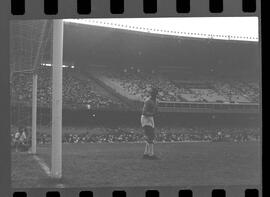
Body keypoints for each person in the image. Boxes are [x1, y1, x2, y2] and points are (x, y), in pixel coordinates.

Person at [141, 87, 159, 159]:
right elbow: (144, 112)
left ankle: (146, 154)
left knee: (150, 136)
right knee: (151, 136)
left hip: (151, 118)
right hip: (146, 118)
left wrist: (154, 113)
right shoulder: (148, 101)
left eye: (154, 93)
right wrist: (152, 114)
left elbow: (156, 110)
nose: (153, 94)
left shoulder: (156, 101)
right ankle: (151, 154)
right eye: (152, 93)